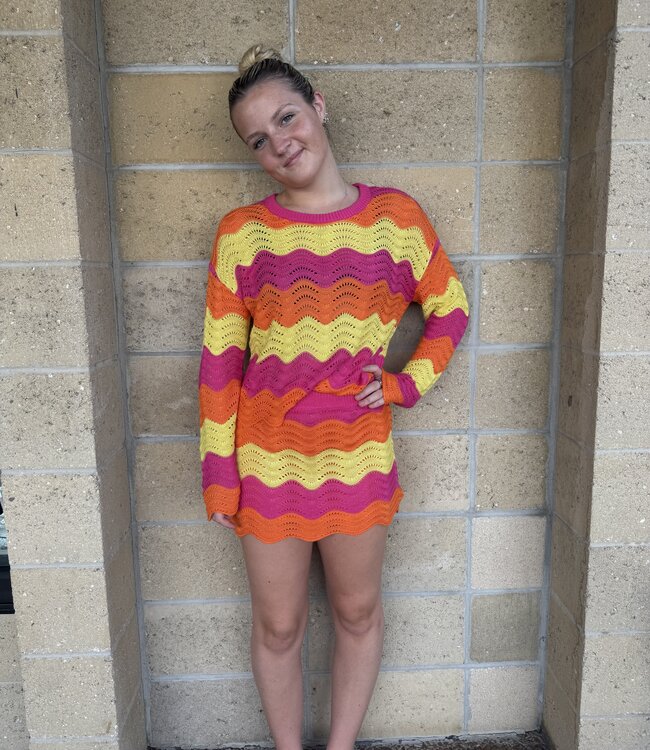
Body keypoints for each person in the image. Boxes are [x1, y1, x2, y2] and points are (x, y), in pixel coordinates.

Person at [198, 44, 469, 750]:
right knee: (278, 625)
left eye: (286, 117)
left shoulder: (396, 220)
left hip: (358, 454)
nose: (279, 143)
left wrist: (406, 383)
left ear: (318, 107)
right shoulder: (242, 236)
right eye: (259, 140)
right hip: (267, 460)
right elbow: (220, 365)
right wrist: (219, 473)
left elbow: (450, 308)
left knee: (356, 613)